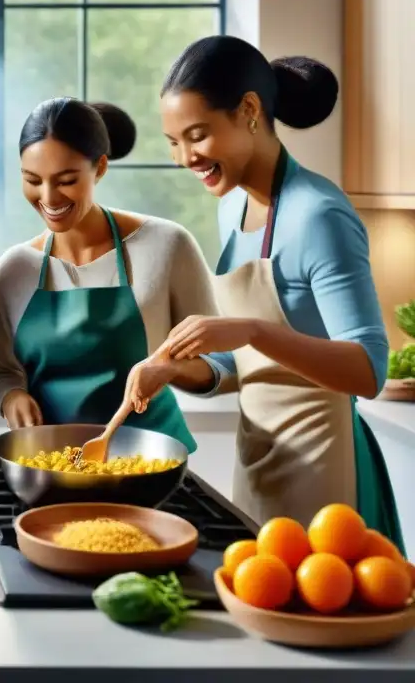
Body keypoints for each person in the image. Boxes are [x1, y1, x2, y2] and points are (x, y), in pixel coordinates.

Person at [136, 34, 404, 551]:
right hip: (259, 460)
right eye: (173, 142)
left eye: (197, 135)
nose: (184, 158)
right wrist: (176, 367)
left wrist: (254, 330)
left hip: (326, 468)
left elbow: (370, 370)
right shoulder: (230, 207)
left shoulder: (319, 215)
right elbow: (242, 368)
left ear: (250, 111)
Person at [0, 98, 221, 452]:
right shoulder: (15, 268)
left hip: (151, 461)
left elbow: (218, 362)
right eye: (32, 180)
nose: (48, 197)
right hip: (50, 464)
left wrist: (170, 367)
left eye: (66, 180)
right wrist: (11, 397)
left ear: (100, 168)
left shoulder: (166, 245)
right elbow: (1, 370)